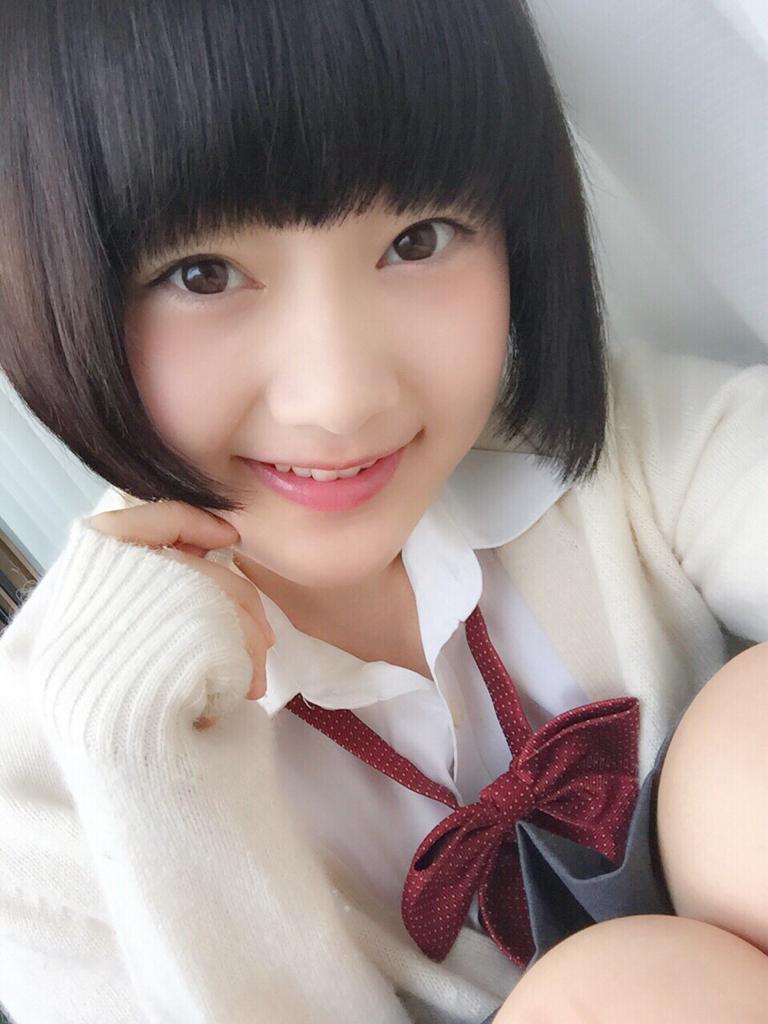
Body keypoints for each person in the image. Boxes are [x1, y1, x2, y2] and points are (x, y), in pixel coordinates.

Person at [0, 1, 766, 1022]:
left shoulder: (624, 447)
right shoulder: (35, 802)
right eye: (202, 275)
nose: (341, 399)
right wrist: (146, 775)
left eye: (418, 239)